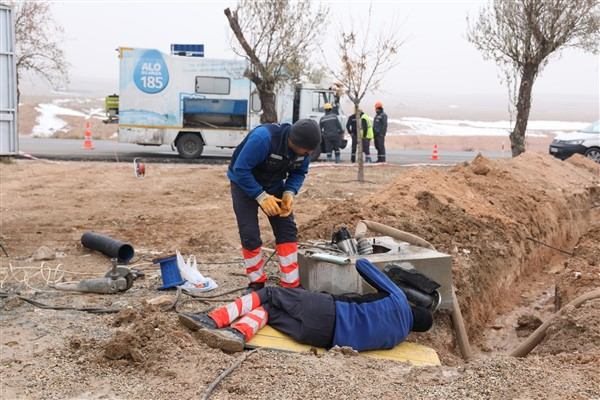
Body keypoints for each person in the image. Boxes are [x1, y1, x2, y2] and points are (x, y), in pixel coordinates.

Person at [178, 258, 434, 353]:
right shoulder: (397, 338)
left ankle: (213, 320)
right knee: (270, 311)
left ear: (415, 308)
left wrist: (389, 282)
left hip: (328, 310)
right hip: (322, 338)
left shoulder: (399, 299)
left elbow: (363, 265)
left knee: (269, 294)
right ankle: (236, 334)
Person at [227, 119, 321, 294]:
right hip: (243, 183)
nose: (309, 153)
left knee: (287, 229)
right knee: (250, 233)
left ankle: (291, 283)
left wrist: (289, 192)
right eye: (307, 150)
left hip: (273, 183)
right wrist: (260, 196)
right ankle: (256, 283)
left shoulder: (304, 152)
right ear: (295, 142)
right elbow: (240, 169)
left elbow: (299, 172)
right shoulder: (264, 138)